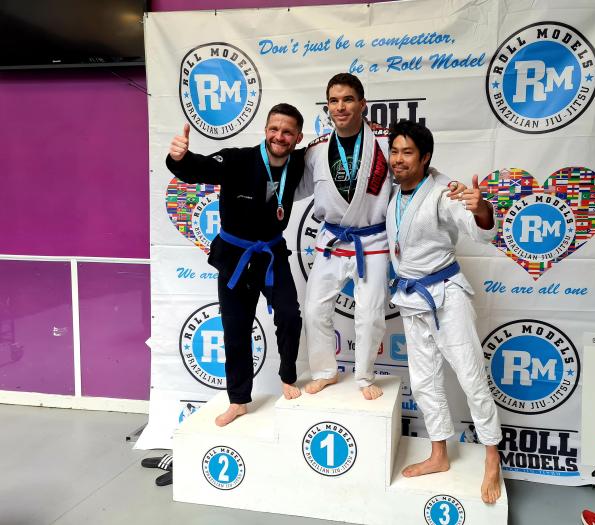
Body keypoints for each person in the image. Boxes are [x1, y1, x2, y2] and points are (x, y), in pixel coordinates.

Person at [303, 73, 465, 400]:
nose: (340, 107)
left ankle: (364, 376)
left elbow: (417, 169)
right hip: (332, 240)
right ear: (327, 106)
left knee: (370, 313)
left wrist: (451, 187)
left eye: (348, 99)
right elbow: (291, 184)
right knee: (314, 309)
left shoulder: (384, 140)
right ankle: (324, 371)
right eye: (334, 101)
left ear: (362, 104)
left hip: (373, 240)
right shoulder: (316, 149)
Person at [166, 103, 309, 426]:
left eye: (287, 132)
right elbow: (197, 169)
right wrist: (179, 158)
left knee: (289, 314)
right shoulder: (237, 159)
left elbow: (331, 150)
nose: (279, 136)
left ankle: (288, 376)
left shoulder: (300, 162)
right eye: (274, 129)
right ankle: (239, 400)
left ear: (298, 137)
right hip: (235, 256)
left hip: (271, 252)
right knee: (236, 328)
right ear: (265, 130)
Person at [386, 120, 502, 504]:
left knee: (470, 376)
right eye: (394, 151)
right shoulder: (394, 193)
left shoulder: (444, 191)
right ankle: (439, 453)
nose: (398, 159)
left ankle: (491, 455)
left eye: (407, 152)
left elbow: (479, 229)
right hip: (411, 298)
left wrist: (482, 209)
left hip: (446, 296)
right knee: (424, 381)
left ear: (425, 157)